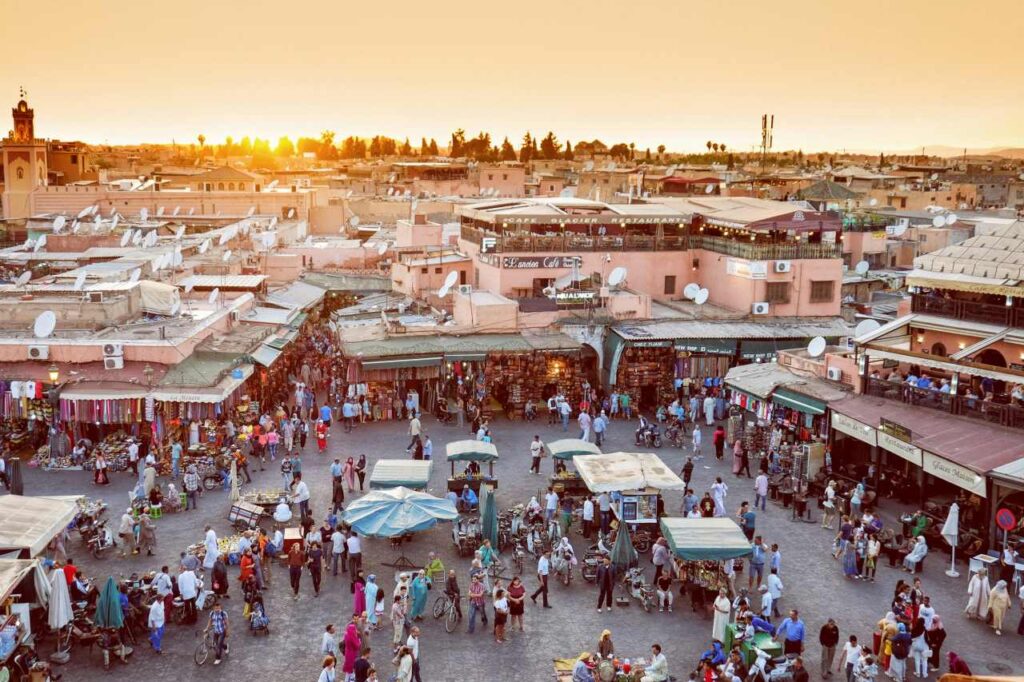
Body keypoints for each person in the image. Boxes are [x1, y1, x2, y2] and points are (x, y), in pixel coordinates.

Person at [204, 601, 229, 666]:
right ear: (213, 608)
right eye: (216, 608)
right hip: (216, 631)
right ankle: (226, 647)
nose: (217, 609)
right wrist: (207, 628)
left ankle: (218, 658)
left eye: (218, 608)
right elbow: (210, 621)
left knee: (219, 645)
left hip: (222, 631)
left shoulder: (223, 613)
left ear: (220, 607)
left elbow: (227, 623)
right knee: (216, 644)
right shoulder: (212, 613)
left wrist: (227, 632)